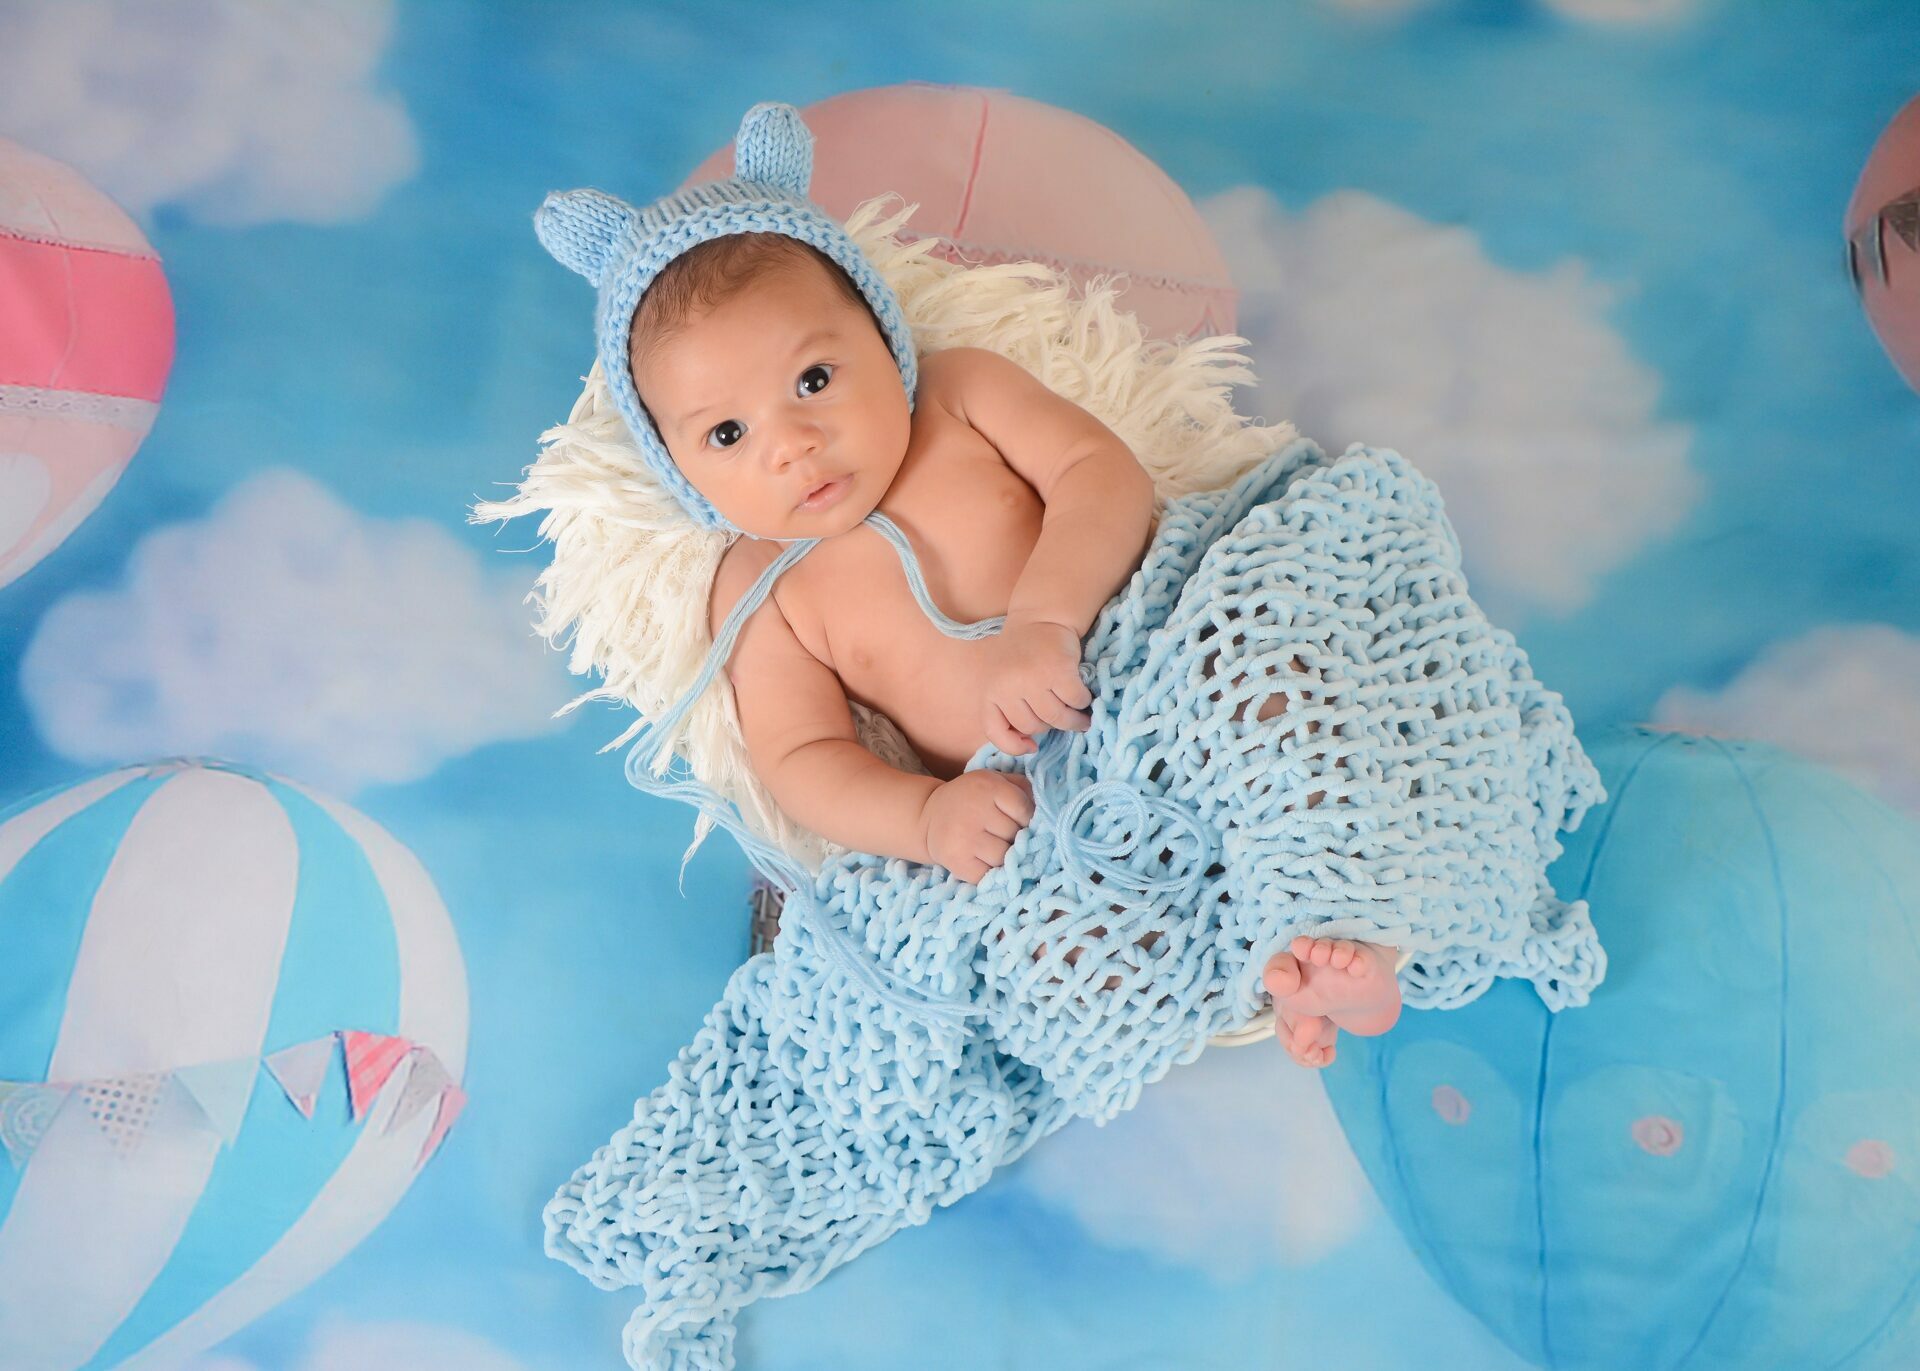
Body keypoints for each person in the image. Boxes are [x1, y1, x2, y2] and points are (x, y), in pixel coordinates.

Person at [625, 225, 1403, 1067]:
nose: (792, 444)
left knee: (1279, 694)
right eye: (727, 434)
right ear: (678, 470)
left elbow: (1098, 471)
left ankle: (1347, 920)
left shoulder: (958, 396)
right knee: (1044, 953)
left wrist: (1044, 620)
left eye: (813, 380)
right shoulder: (756, 586)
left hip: (1159, 665)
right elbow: (800, 757)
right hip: (1032, 803)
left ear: (882, 336)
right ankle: (1268, 980)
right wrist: (926, 818)